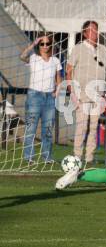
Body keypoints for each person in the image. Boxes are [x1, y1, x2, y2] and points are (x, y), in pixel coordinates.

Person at [66, 21, 106, 165]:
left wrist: (104, 95)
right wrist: (72, 93)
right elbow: (69, 70)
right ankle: (77, 156)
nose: (94, 33)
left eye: (96, 30)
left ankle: (89, 157)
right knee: (81, 127)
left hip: (97, 96)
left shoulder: (103, 49)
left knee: (94, 128)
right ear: (84, 33)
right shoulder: (78, 48)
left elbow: (105, 73)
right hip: (81, 96)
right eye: (90, 30)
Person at [20, 34, 62, 163]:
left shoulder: (55, 61)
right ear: (39, 45)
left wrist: (57, 92)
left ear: (51, 45)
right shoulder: (33, 58)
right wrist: (33, 44)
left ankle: (47, 157)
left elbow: (59, 79)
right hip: (34, 96)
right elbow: (22, 56)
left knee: (48, 129)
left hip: (49, 97)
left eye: (47, 43)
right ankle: (29, 157)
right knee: (31, 127)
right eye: (42, 43)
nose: (45, 46)